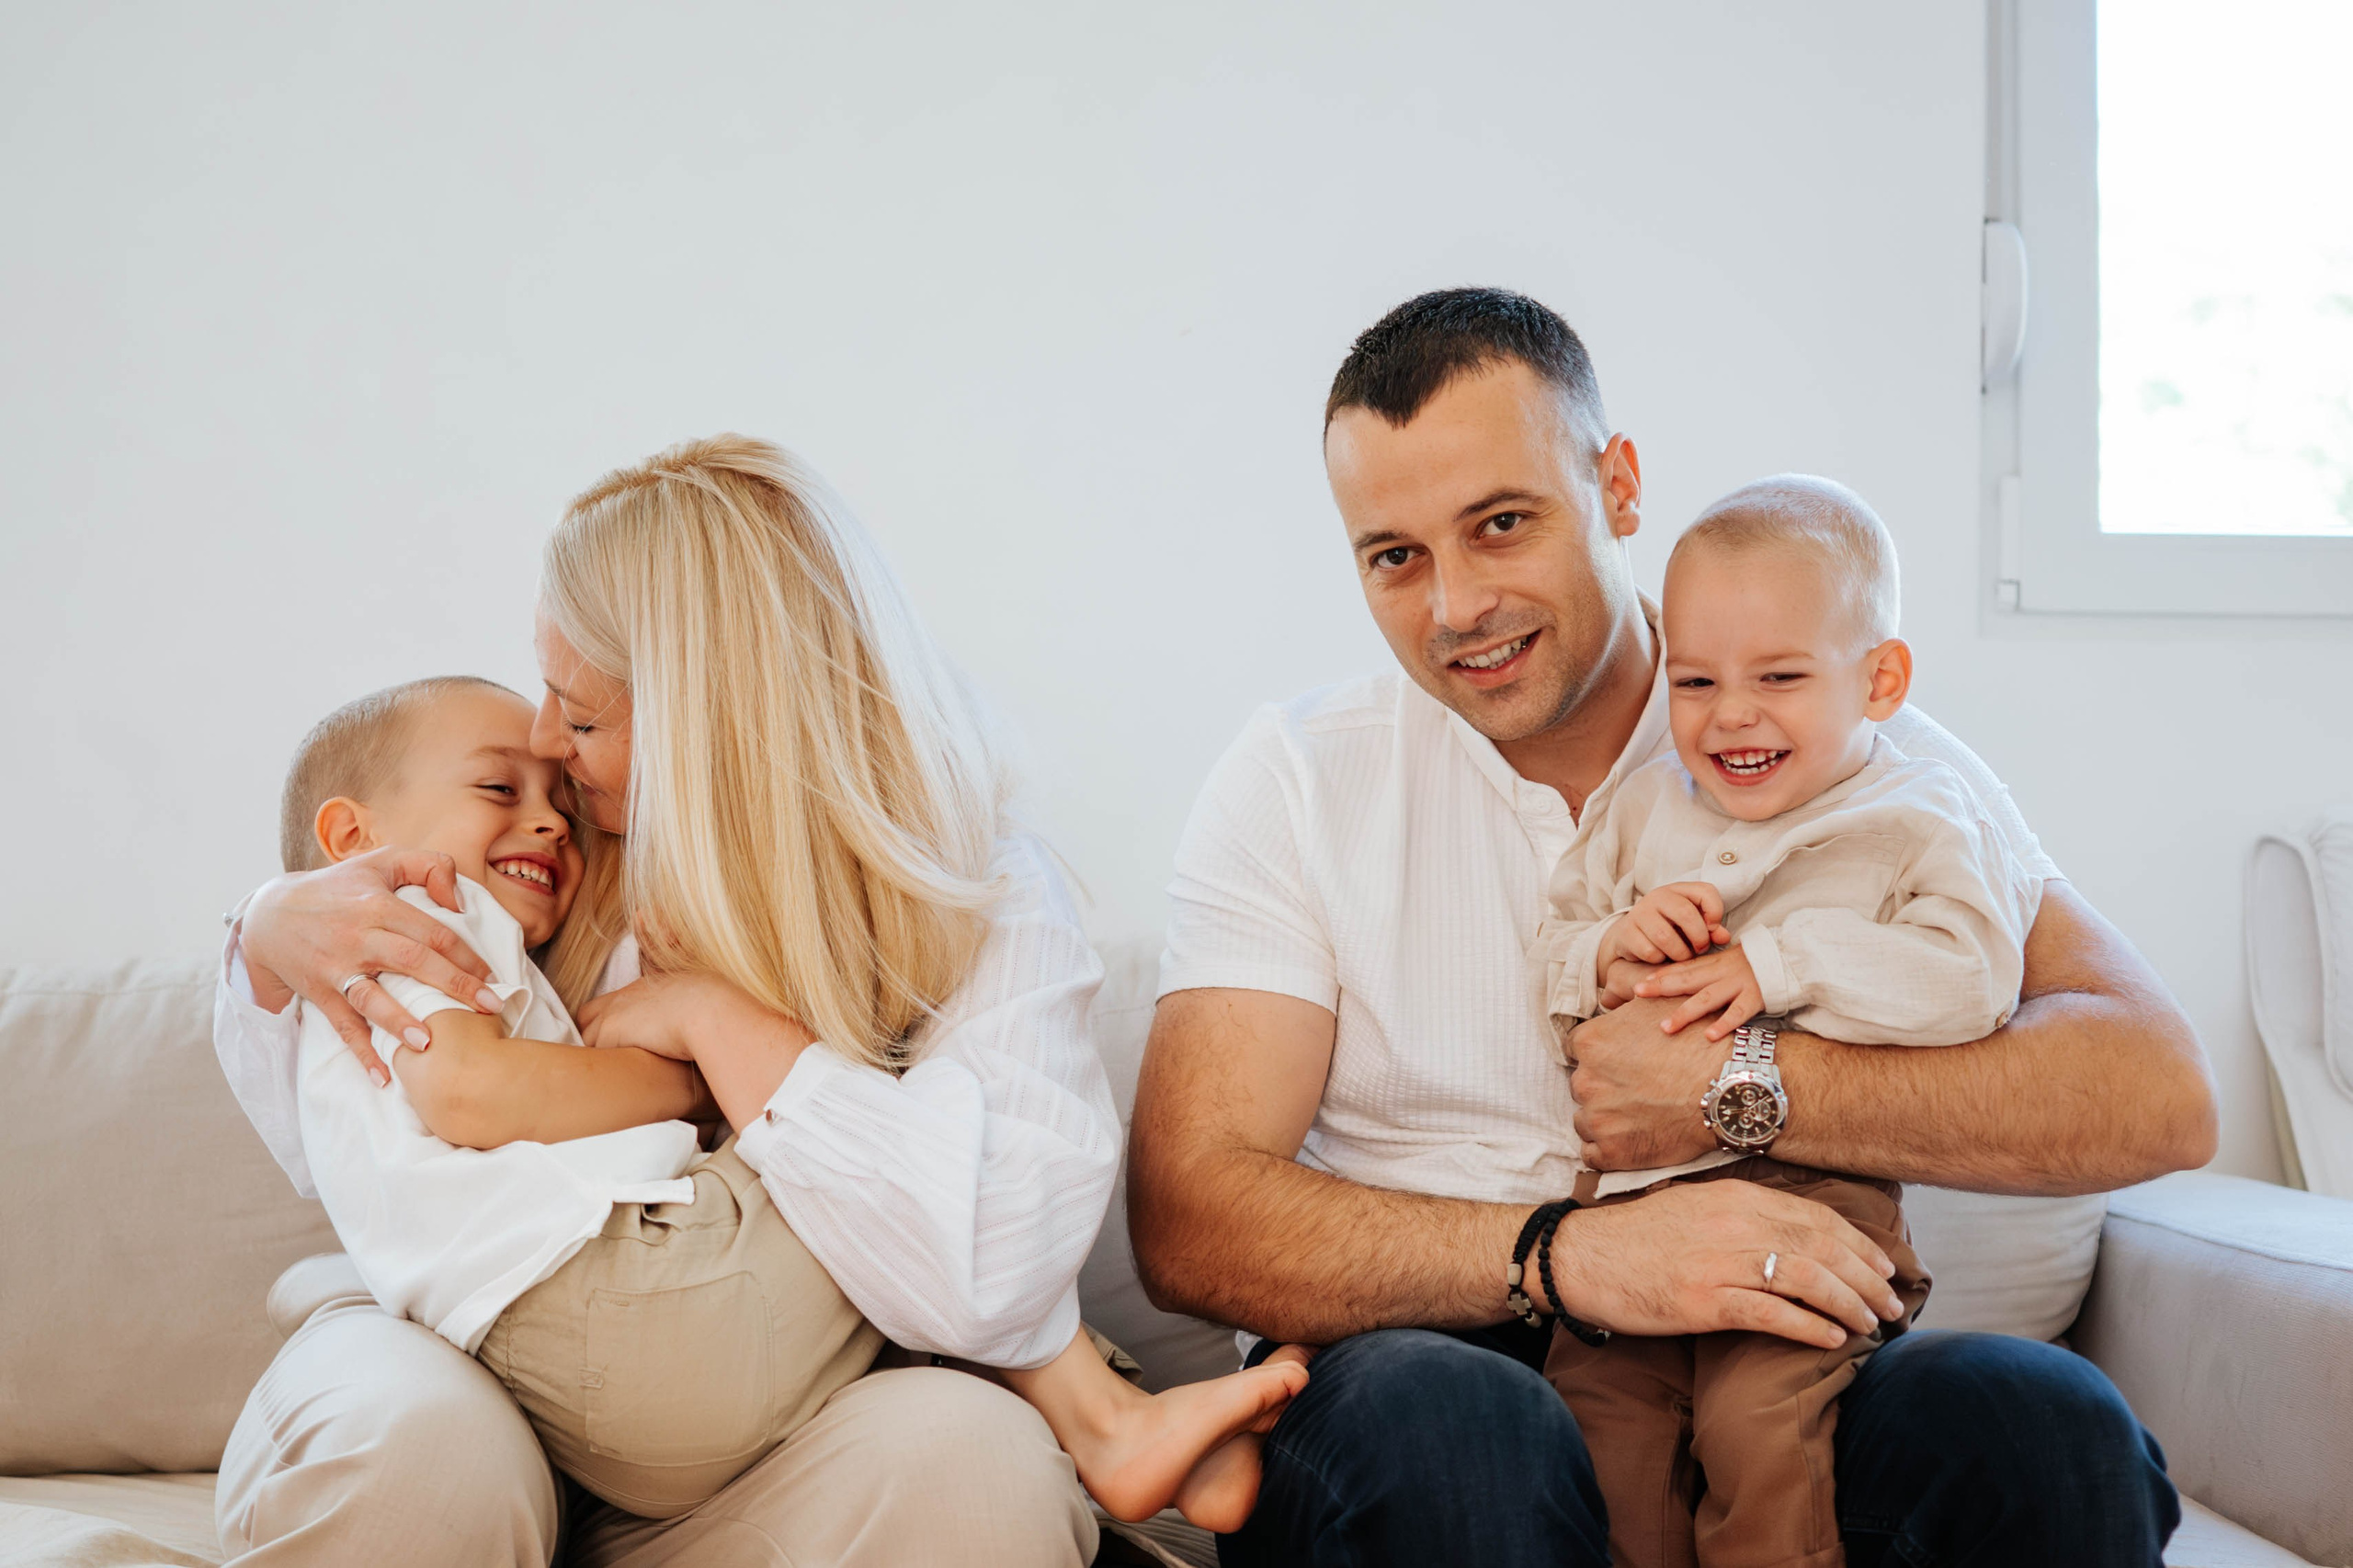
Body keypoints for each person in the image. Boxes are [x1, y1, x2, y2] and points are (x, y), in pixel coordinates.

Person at [1126, 288, 2212, 1567]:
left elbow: (2156, 1092)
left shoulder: (1848, 751)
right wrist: (1569, 1255)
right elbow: (1189, 1214)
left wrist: (1739, 1090)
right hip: (1437, 1358)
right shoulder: (1302, 778)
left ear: (1620, 486)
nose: (1455, 605)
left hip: (1777, 1334)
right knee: (1457, 1430)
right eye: (1395, 556)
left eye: (1503, 524)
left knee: (2047, 1428)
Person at [212, 437, 1131, 1566]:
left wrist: (727, 1029)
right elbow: (350, 1115)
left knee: (978, 1467)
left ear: (713, 720)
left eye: (582, 719)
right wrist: (268, 931)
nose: (545, 747)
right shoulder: (535, 861)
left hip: (742, 1430)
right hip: (454, 1345)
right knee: (418, 1451)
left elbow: (989, 1272)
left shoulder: (972, 898)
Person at [273, 672, 1306, 1530]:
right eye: (501, 787)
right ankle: (1104, 1415)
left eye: (566, 760)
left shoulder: (472, 930)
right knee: (897, 1163)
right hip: (604, 1307)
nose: (551, 806)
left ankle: (1112, 1422)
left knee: (898, 1195)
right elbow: (472, 1089)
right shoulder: (402, 922)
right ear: (350, 833)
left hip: (602, 1337)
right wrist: (703, 1058)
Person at [1531, 479, 2042, 1568]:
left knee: (1757, 1432)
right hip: (1628, 1215)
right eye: (1697, 680)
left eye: (1779, 677)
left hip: (1810, 1209)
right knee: (1603, 1444)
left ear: (1880, 679)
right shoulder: (1640, 806)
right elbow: (1558, 953)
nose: (1731, 714)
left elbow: (1970, 981)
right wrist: (1610, 947)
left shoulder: (1920, 817)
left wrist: (1781, 960)